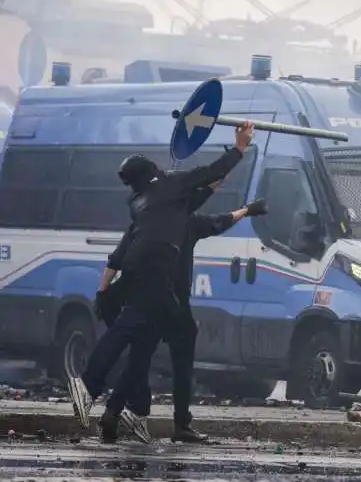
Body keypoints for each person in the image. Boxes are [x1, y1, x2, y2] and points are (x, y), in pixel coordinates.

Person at [67, 122, 255, 441]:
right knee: (138, 331)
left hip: (140, 275)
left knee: (139, 340)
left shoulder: (143, 205)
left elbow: (202, 190)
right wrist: (239, 148)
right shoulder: (172, 191)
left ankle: (122, 411)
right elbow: (210, 176)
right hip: (158, 276)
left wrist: (102, 292)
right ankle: (90, 387)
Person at [106, 182, 268, 443]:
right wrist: (248, 210)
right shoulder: (187, 223)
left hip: (145, 301)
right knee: (182, 363)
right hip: (175, 304)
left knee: (138, 361)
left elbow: (117, 259)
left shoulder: (143, 224)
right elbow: (222, 221)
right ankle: (182, 424)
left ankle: (112, 413)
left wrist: (105, 293)